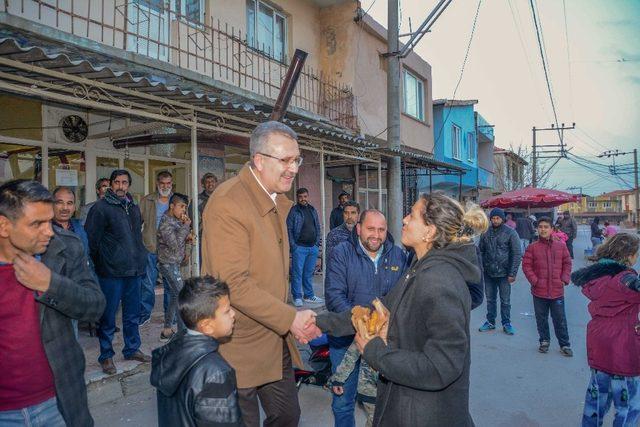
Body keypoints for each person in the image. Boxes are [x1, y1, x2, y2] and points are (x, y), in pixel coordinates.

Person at [317, 193, 488, 426]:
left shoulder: (440, 281)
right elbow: (376, 310)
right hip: (409, 405)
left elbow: (441, 366)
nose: (404, 220)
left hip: (425, 415)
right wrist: (318, 323)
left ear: (429, 232)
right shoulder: (419, 269)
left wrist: (375, 351)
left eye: (412, 215)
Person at [201, 121, 321, 427]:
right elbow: (233, 284)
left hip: (273, 338)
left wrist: (289, 320)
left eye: (297, 160)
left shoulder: (272, 198)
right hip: (237, 344)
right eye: (285, 160)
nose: (293, 168)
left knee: (287, 415)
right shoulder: (229, 202)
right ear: (258, 160)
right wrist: (290, 318)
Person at [0, 180, 105, 427]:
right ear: (4, 226)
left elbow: (95, 306)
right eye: (37, 224)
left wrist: (50, 285)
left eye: (49, 221)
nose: (49, 231)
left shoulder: (66, 246)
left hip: (57, 403)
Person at [324, 209, 407, 427]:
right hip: (345, 341)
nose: (376, 235)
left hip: (381, 345)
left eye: (381, 230)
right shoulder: (342, 252)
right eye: (371, 228)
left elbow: (403, 299)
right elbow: (334, 296)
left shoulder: (397, 255)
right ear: (359, 228)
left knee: (382, 403)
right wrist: (362, 325)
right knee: (343, 403)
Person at [150, 276, 242, 427]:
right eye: (226, 311)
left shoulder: (173, 349)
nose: (233, 314)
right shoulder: (215, 373)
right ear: (206, 325)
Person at [85, 169, 150, 375]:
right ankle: (106, 355)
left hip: (134, 271)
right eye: (117, 182)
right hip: (111, 273)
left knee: (132, 315)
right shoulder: (101, 208)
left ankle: (132, 348)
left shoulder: (134, 207)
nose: (121, 186)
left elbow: (135, 237)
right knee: (108, 316)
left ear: (129, 185)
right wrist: (101, 264)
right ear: (111, 185)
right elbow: (91, 242)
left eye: (125, 182)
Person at [571, 233, 640, 427]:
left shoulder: (597, 275)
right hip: (624, 346)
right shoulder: (626, 279)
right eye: (636, 254)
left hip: (598, 341)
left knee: (597, 398)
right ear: (628, 255)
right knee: (628, 405)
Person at [522, 216, 573, 356]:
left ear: (552, 229)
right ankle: (544, 341)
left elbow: (567, 263)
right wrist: (535, 281)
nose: (543, 229)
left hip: (557, 290)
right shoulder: (532, 248)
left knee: (560, 319)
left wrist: (564, 278)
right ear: (537, 229)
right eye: (540, 227)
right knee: (541, 318)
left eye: (546, 227)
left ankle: (564, 344)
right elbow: (526, 266)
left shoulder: (561, 246)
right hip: (539, 291)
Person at [52, 186, 94, 338]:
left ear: (75, 206)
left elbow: (86, 258)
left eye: (69, 203)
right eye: (60, 202)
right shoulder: (43, 229)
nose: (65, 207)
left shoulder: (78, 228)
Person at [478, 207, 522, 335]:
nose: (495, 220)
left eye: (497, 218)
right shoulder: (485, 232)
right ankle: (490, 321)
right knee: (490, 299)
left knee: (505, 300)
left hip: (504, 273)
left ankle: (506, 323)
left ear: (502, 219)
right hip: (488, 272)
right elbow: (480, 251)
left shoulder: (511, 233)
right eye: (493, 218)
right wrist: (481, 268)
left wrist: (512, 273)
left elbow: (517, 254)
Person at [139, 170, 174, 325]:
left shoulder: (178, 201)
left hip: (170, 250)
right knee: (148, 284)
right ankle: (145, 314)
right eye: (162, 183)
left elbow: (186, 227)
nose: (165, 186)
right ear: (157, 184)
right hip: (150, 248)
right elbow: (137, 223)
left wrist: (185, 251)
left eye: (168, 183)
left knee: (170, 285)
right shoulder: (147, 201)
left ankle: (170, 316)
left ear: (171, 184)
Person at [157, 193, 192, 341]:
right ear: (172, 206)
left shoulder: (176, 220)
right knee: (181, 294)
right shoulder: (166, 223)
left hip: (175, 263)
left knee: (175, 295)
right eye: (181, 206)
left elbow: (185, 241)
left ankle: (166, 330)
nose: (184, 210)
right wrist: (185, 228)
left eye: (185, 207)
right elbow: (175, 245)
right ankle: (182, 332)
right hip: (167, 264)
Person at [287, 187, 323, 307]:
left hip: (312, 247)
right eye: (301, 197)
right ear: (298, 198)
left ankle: (308, 295)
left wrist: (317, 243)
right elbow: (289, 229)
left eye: (305, 196)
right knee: (297, 273)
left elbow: (317, 226)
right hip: (299, 248)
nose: (303, 199)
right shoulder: (294, 211)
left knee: (308, 273)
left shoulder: (312, 210)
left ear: (308, 197)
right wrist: (294, 246)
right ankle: (297, 296)